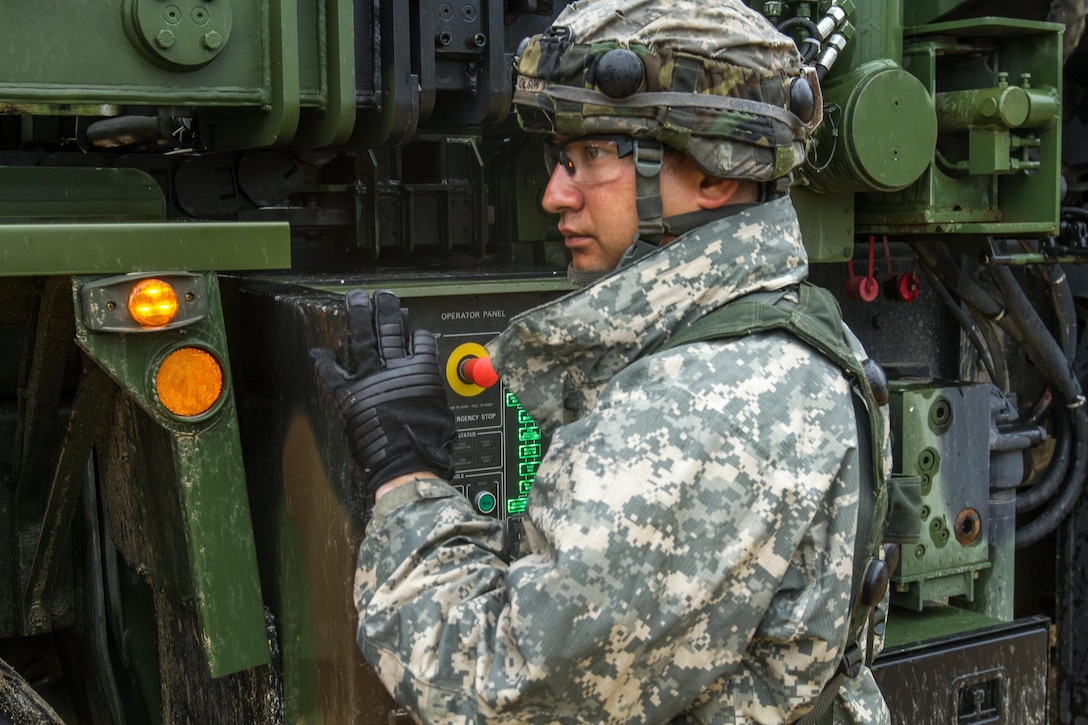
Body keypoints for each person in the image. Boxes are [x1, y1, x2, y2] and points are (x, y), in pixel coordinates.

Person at [313, 0, 892, 722]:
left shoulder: (698, 409)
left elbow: (502, 686)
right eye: (563, 158)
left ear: (715, 173)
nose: (556, 193)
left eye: (592, 156)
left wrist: (406, 477)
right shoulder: (772, 332)